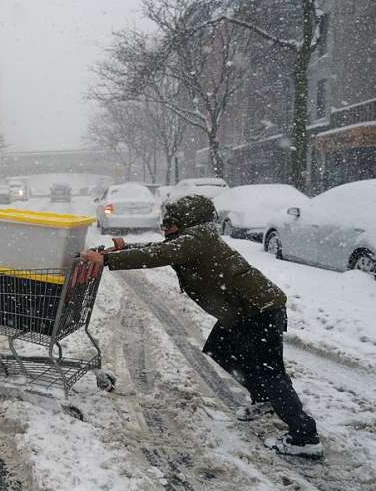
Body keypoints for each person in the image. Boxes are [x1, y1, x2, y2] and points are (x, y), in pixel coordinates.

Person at [83, 194, 323, 458]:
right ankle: (263, 398)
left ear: (189, 219)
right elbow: (162, 247)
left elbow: (160, 253)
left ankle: (304, 437)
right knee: (221, 349)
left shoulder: (198, 238)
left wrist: (108, 260)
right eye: (165, 222)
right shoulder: (192, 238)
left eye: (171, 222)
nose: (166, 227)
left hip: (260, 309)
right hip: (245, 311)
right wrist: (124, 247)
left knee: (270, 371)